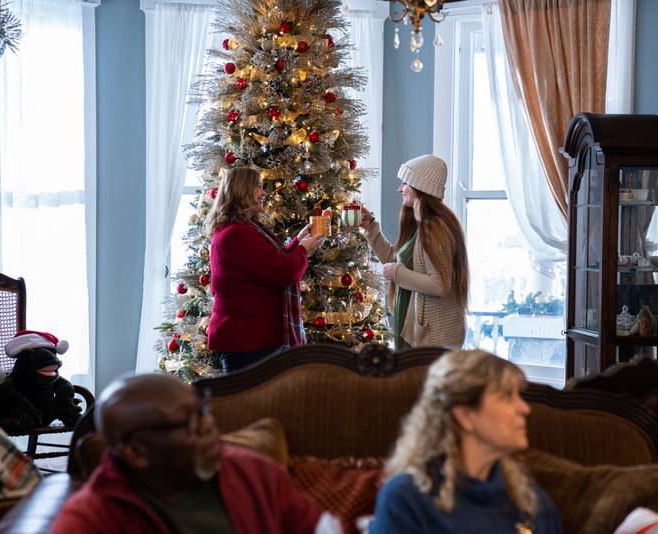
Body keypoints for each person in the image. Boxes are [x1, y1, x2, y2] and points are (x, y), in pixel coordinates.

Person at [52, 373, 341, 534]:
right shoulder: (91, 520)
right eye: (189, 423)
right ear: (136, 452)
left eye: (202, 412)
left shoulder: (256, 473)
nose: (209, 426)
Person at [370, 349, 562, 534]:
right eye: (506, 396)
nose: (525, 408)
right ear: (465, 416)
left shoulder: (532, 502)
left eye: (519, 395)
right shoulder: (406, 499)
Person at [207, 167, 324, 373]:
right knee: (252, 405)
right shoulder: (236, 234)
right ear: (242, 191)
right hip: (248, 343)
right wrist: (304, 249)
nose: (264, 193)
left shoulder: (243, 228)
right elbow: (283, 271)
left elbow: (270, 262)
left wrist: (299, 240)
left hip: (254, 340)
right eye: (258, 187)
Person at [359, 155, 468, 350]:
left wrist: (397, 274)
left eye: (405, 183)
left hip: (435, 337)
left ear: (419, 187)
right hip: (415, 330)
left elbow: (440, 284)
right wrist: (371, 228)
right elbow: (393, 259)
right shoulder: (418, 224)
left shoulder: (435, 229)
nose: (400, 189)